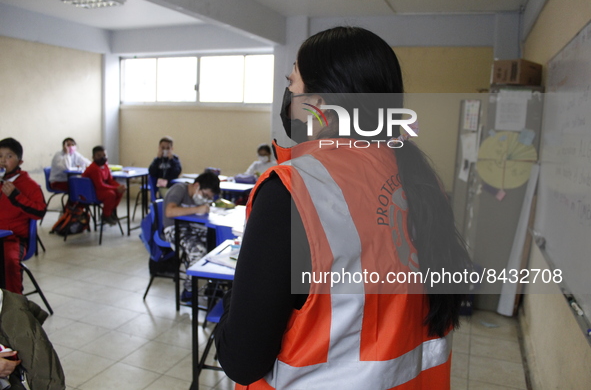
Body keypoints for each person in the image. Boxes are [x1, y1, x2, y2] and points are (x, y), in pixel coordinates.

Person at [214, 27, 471, 389]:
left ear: (319, 107)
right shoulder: (421, 183)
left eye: (293, 83)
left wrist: (235, 298)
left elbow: (241, 359)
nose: (287, 94)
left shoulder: (292, 190)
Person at [163, 172, 220, 299]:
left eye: (209, 198)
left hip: (191, 227)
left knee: (217, 242)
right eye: (205, 195)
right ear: (196, 185)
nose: (205, 199)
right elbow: (169, 211)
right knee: (198, 251)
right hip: (173, 229)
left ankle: (214, 286)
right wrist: (197, 209)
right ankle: (188, 291)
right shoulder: (179, 189)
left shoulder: (197, 196)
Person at [0, 138, 47, 294]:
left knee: (8, 262)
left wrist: (15, 196)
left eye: (9, 156)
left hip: (14, 238)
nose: (3, 161)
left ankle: (14, 305)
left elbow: (40, 212)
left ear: (20, 161)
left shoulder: (29, 185)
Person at [82, 145, 125, 225]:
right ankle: (106, 215)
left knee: (120, 192)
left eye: (104, 155)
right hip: (91, 192)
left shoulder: (105, 166)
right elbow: (100, 185)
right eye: (99, 155)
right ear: (93, 157)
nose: (102, 157)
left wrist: (119, 187)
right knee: (111, 194)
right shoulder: (94, 168)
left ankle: (110, 212)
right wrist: (116, 188)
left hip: (99, 190)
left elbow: (110, 180)